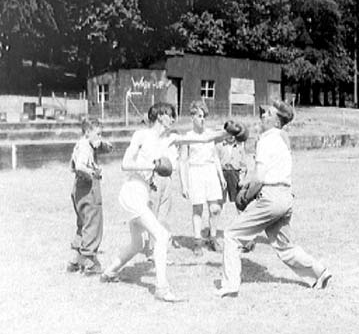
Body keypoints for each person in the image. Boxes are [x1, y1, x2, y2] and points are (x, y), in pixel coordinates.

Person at [100, 102, 237, 302]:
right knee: (162, 235)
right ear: (160, 115)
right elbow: (125, 164)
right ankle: (162, 289)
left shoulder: (171, 139)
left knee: (137, 244)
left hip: (143, 194)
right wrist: (153, 166)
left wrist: (225, 134)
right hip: (132, 192)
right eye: (170, 115)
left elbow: (201, 138)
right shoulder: (141, 135)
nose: (173, 119)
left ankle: (109, 272)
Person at [215, 101, 332, 298]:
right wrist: (247, 185)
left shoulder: (266, 140)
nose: (262, 115)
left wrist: (245, 195)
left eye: (267, 113)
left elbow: (260, 178)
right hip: (285, 196)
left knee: (231, 235)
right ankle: (319, 272)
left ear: (277, 121)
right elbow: (262, 174)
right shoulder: (282, 139)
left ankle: (230, 286)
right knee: (285, 247)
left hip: (270, 197)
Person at [179, 100, 226, 256]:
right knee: (197, 209)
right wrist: (184, 184)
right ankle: (197, 241)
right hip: (195, 172)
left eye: (204, 116)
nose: (202, 119)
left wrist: (220, 175)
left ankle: (212, 238)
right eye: (199, 116)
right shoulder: (187, 137)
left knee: (215, 208)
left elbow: (216, 157)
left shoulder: (210, 134)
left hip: (210, 171)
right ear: (192, 117)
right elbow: (183, 161)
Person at [67, 118, 113, 275]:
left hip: (77, 189)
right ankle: (89, 261)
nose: (100, 137)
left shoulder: (81, 143)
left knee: (82, 223)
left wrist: (103, 144)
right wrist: (92, 172)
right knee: (93, 222)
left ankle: (74, 259)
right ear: (87, 132)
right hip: (88, 187)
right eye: (98, 134)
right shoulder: (86, 147)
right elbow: (80, 165)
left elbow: (104, 147)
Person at [216, 135, 255, 253]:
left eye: (234, 134)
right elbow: (215, 162)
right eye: (229, 133)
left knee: (240, 205)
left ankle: (247, 237)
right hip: (222, 175)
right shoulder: (219, 146)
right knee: (218, 206)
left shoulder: (239, 147)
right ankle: (215, 235)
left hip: (235, 175)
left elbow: (243, 166)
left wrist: (241, 179)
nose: (231, 136)